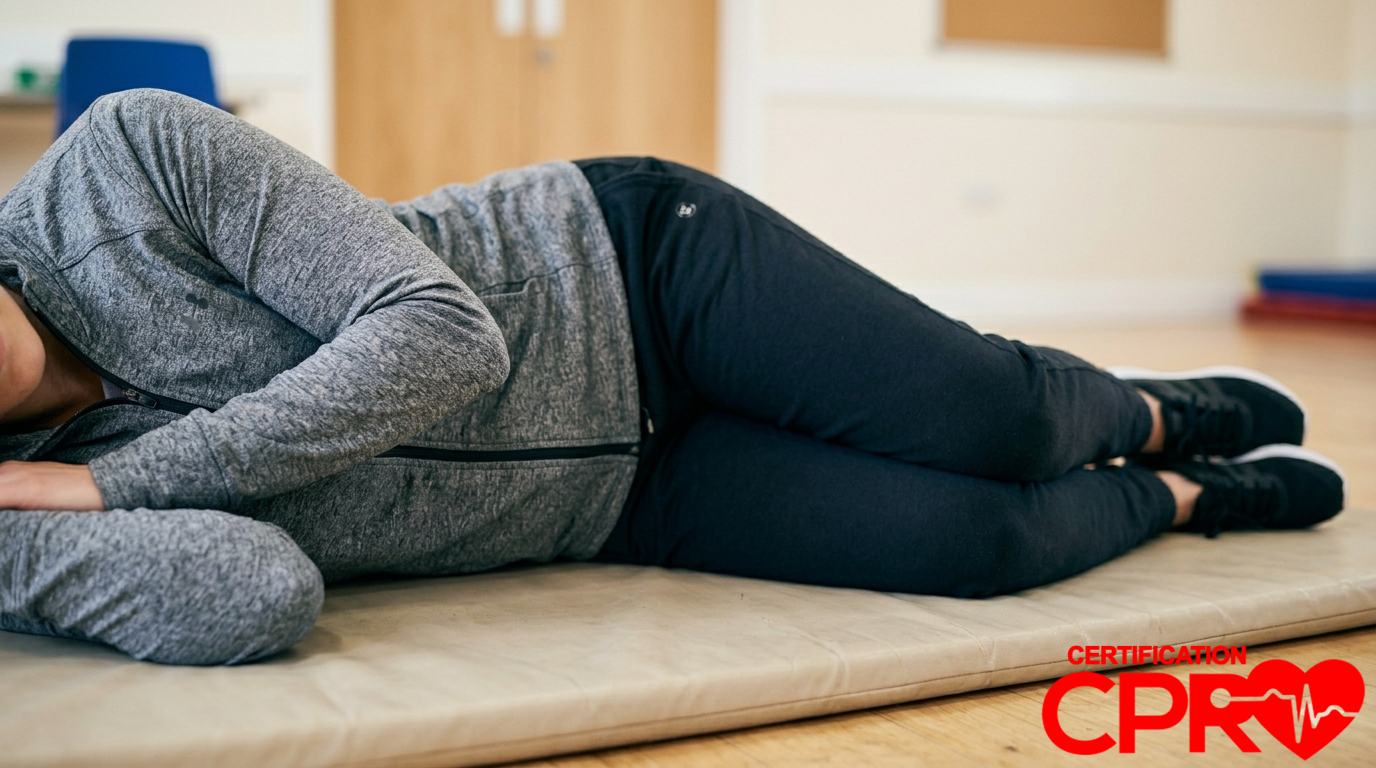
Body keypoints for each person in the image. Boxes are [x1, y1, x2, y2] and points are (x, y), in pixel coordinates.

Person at [0, 90, 1345, 666]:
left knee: (991, 421)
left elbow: (440, 335)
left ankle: (1160, 409)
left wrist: (120, 481)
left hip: (638, 276)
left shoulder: (123, 166)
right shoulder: (26, 512)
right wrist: (39, 527)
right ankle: (1188, 496)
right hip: (623, 497)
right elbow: (254, 594)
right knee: (979, 542)